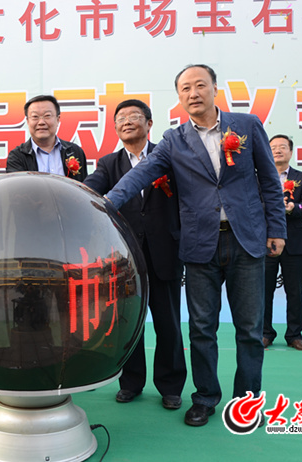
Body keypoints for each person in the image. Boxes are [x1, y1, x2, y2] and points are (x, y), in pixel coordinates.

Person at [105, 64, 287, 427]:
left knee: (250, 330)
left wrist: (277, 228)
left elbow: (269, 180)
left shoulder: (247, 125)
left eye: (200, 85)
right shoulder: (174, 140)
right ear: (179, 98)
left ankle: (247, 402)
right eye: (185, 88)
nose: (193, 93)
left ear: (215, 89)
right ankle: (204, 398)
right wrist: (106, 202)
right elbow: (141, 173)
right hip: (200, 244)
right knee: (201, 329)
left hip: (246, 240)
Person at [84, 99, 186, 410]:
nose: (127, 121)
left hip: (165, 252)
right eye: (121, 118)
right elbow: (90, 190)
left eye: (134, 116)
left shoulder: (168, 157)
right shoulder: (108, 163)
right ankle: (131, 382)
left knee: (169, 324)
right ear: (115, 128)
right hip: (124, 257)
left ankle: (170, 386)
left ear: (149, 123)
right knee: (128, 322)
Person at [263, 135, 302, 351]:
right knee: (264, 291)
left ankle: (294, 334)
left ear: (290, 152)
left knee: (295, 291)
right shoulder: (259, 176)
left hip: (296, 242)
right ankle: (265, 333)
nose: (278, 150)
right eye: (273, 147)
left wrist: (294, 208)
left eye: (283, 147)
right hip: (266, 241)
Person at [6, 95, 88, 180]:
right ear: (28, 121)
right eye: (35, 117)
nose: (41, 122)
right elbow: (18, 187)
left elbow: (82, 186)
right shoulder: (17, 156)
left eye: (47, 116)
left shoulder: (74, 151)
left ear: (57, 119)